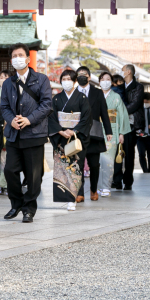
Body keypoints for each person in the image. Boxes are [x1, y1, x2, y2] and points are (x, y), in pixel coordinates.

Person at [0, 43, 52, 223]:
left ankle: (29, 209)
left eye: (20, 55)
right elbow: (4, 106)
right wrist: (11, 119)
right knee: (10, 170)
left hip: (34, 134)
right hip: (14, 134)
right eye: (14, 56)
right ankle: (16, 203)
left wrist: (29, 119)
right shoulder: (8, 82)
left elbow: (47, 105)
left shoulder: (41, 79)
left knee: (33, 175)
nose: (17, 58)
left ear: (28, 59)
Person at [48, 69, 91, 211]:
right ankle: (65, 197)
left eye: (69, 79)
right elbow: (51, 117)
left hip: (76, 136)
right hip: (60, 137)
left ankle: (73, 197)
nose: (66, 81)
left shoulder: (82, 98)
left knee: (75, 167)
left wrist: (74, 130)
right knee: (62, 167)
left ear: (75, 81)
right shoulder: (55, 99)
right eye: (64, 79)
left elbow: (86, 118)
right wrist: (60, 131)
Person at [75, 66, 113, 201]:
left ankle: (93, 190)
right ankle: (79, 192)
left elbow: (104, 112)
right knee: (77, 164)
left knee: (94, 164)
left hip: (94, 133)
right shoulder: (73, 92)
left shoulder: (97, 93)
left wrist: (108, 131)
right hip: (77, 133)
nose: (81, 76)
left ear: (89, 77)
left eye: (84, 74)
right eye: (79, 74)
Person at [97, 71, 130, 197]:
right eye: (102, 79)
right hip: (98, 130)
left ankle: (106, 186)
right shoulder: (95, 95)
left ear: (111, 82)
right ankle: (99, 187)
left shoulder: (116, 97)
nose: (105, 81)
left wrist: (121, 133)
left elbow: (122, 115)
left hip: (113, 130)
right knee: (98, 160)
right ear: (99, 82)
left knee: (109, 160)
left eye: (108, 79)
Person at [120, 64, 144, 191]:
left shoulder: (138, 87)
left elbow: (135, 105)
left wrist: (120, 111)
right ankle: (116, 179)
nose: (121, 72)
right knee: (117, 152)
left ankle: (128, 181)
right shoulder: (119, 86)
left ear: (129, 72)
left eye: (122, 70)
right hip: (118, 123)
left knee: (129, 152)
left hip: (131, 123)